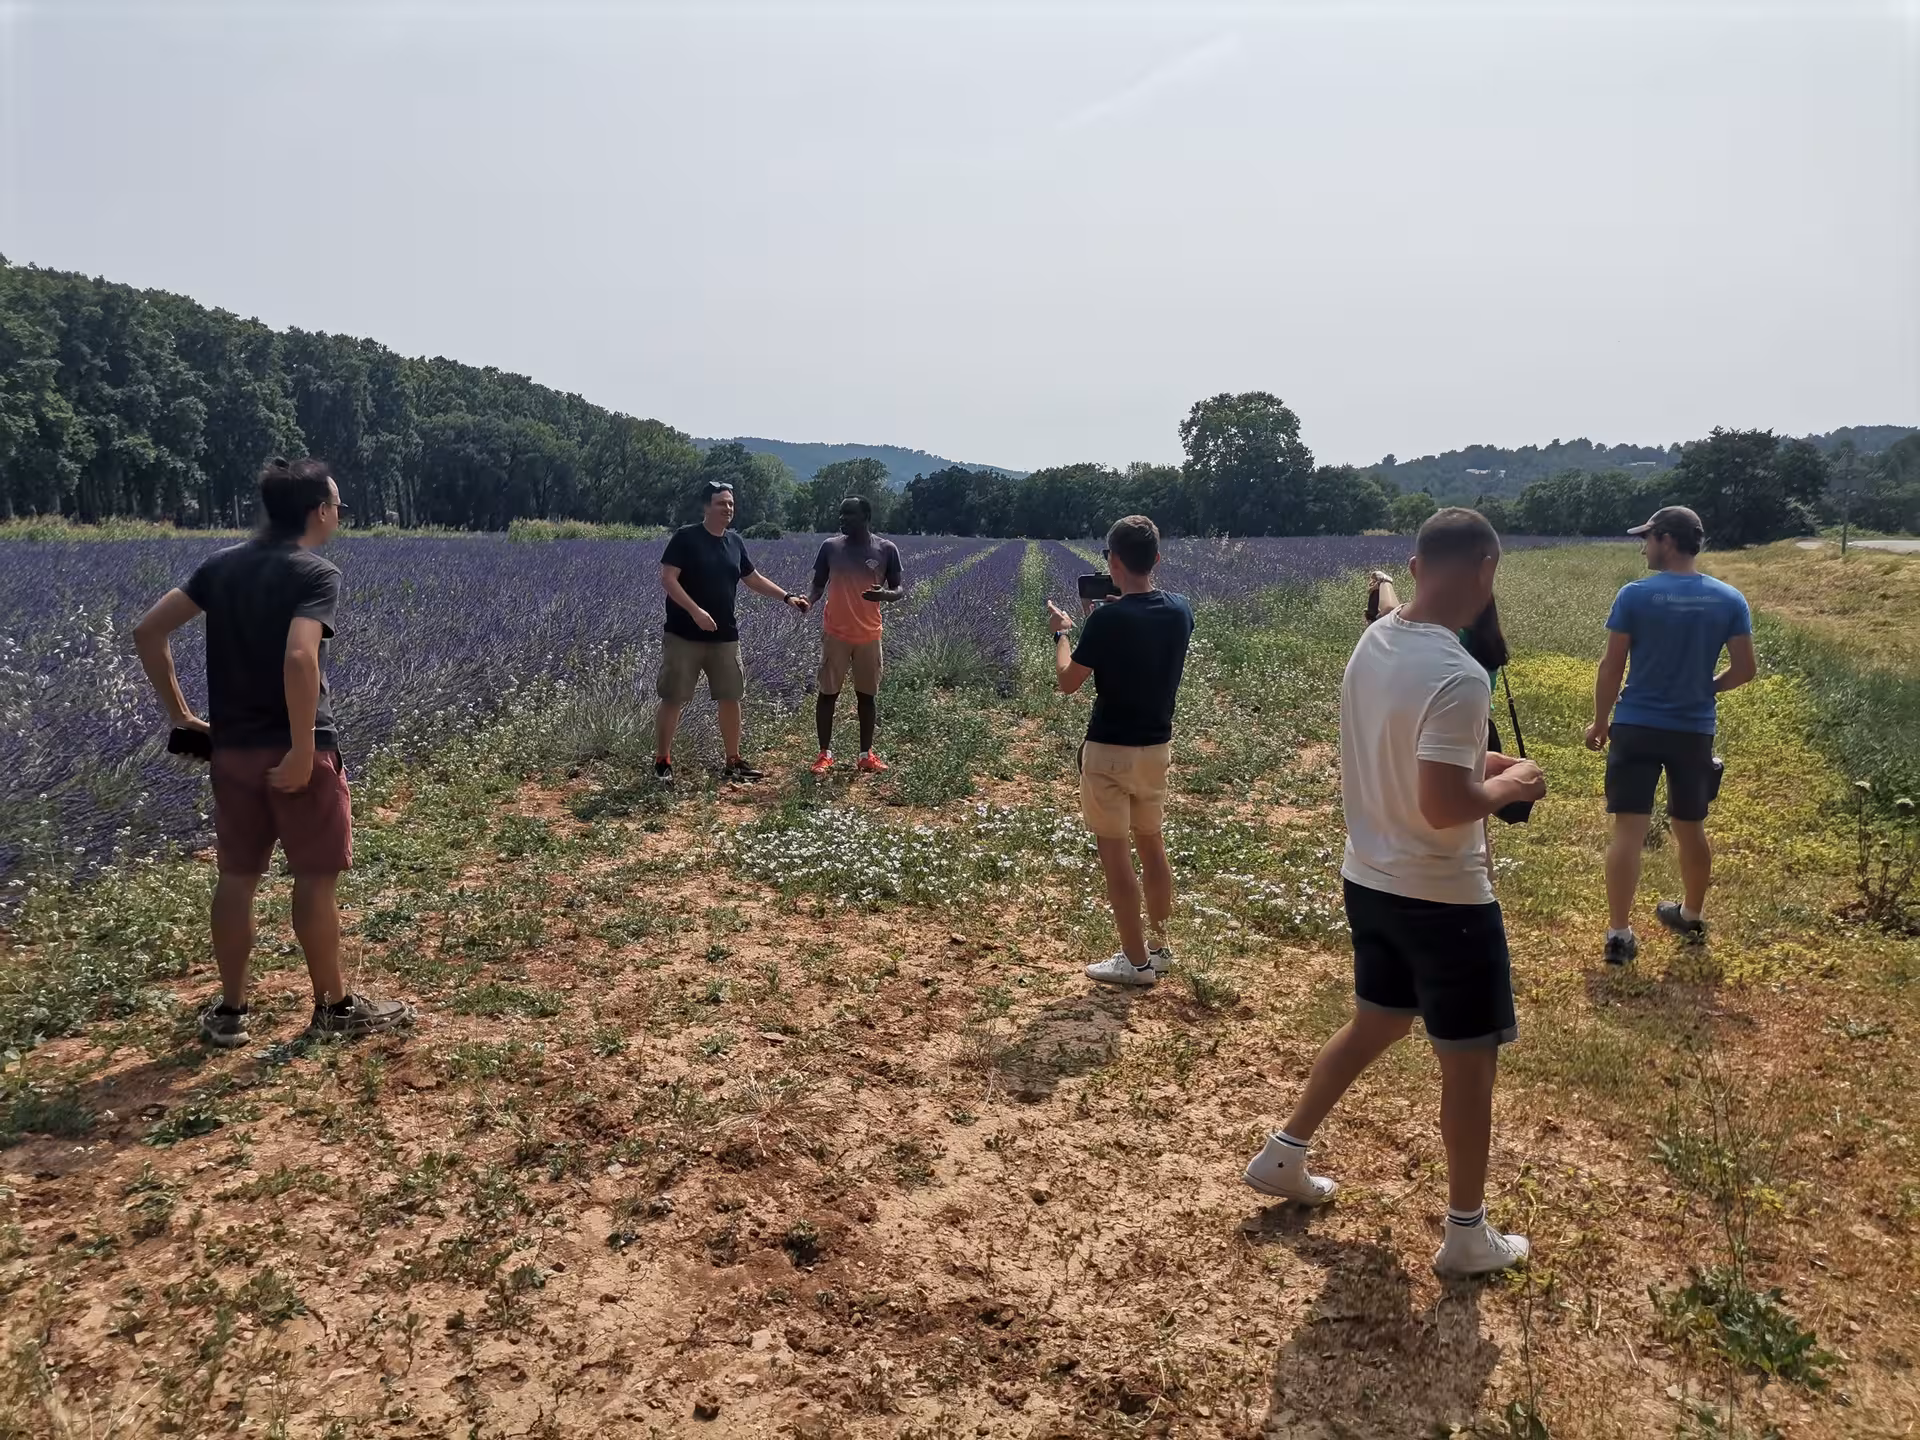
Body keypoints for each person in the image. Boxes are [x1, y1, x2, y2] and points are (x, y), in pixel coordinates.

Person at [1244, 508, 1547, 1278]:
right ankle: (1466, 1234)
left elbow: (1415, 745)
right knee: (1470, 1064)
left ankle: (1285, 1152)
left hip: (1370, 880)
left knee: (1378, 1018)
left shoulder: (1376, 640)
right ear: (1487, 570)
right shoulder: (1459, 674)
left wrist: (1486, 762)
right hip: (1443, 897)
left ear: (1414, 569)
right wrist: (1515, 779)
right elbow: (1445, 804)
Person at [132, 457, 413, 1048]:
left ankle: (231, 1011)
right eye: (337, 505)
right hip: (297, 753)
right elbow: (300, 658)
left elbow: (148, 632)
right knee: (314, 878)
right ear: (318, 512)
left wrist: (181, 715)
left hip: (230, 752)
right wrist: (302, 747)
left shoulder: (219, 566)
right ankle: (335, 1008)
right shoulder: (314, 573)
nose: (339, 515)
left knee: (236, 877)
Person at [1584, 505, 1756, 965]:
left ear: (1666, 539)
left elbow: (1611, 666)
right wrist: (1708, 687)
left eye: (1647, 538)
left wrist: (1601, 722)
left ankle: (1619, 934)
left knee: (1628, 830)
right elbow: (1745, 670)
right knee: (1690, 827)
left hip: (1636, 725)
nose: (1643, 547)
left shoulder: (1635, 596)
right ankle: (1692, 915)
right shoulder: (1729, 600)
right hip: (1692, 730)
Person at [1045, 515, 1194, 987]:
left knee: (1115, 855)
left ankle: (1134, 963)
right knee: (1152, 844)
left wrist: (1063, 633)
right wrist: (1104, 621)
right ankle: (1160, 948)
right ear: (1157, 558)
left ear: (1111, 560)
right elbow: (1142, 636)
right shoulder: (1181, 609)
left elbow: (1068, 682)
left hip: (1109, 750)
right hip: (1156, 748)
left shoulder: (1107, 620)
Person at [654, 481, 811, 783]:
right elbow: (668, 579)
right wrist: (695, 611)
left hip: (724, 636)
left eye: (730, 504)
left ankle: (733, 761)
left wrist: (787, 597)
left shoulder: (735, 542)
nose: (727, 508)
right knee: (674, 697)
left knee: (731, 697)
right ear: (706, 507)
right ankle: (663, 761)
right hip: (683, 635)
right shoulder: (685, 538)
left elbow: (753, 578)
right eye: (720, 503)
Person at [808, 496, 905, 775]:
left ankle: (866, 754)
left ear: (865, 517)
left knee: (867, 696)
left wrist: (884, 595)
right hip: (835, 633)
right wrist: (808, 600)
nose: (842, 519)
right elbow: (817, 585)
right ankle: (824, 754)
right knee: (828, 694)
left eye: (848, 514)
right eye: (840, 514)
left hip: (869, 634)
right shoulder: (830, 547)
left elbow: (899, 590)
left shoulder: (886, 549)